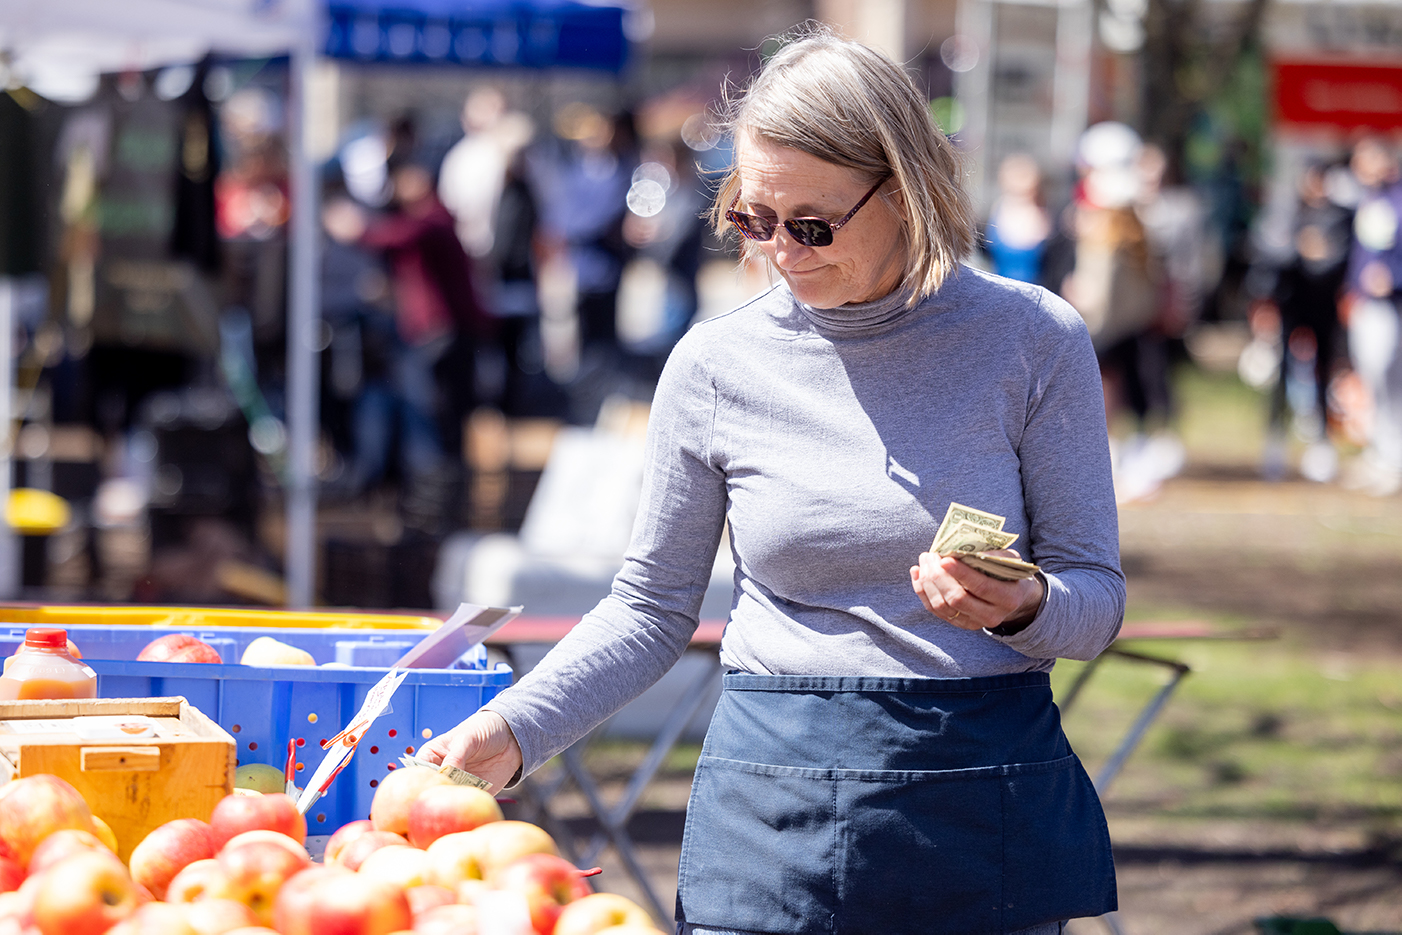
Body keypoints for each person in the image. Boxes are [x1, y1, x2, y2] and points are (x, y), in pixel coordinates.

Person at [422, 28, 1123, 935]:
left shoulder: (1033, 340)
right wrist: (513, 732)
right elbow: (649, 608)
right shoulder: (716, 362)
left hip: (978, 793)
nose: (782, 252)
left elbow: (1096, 601)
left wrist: (1025, 606)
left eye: (814, 225)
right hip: (771, 806)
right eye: (754, 220)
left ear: (906, 188)